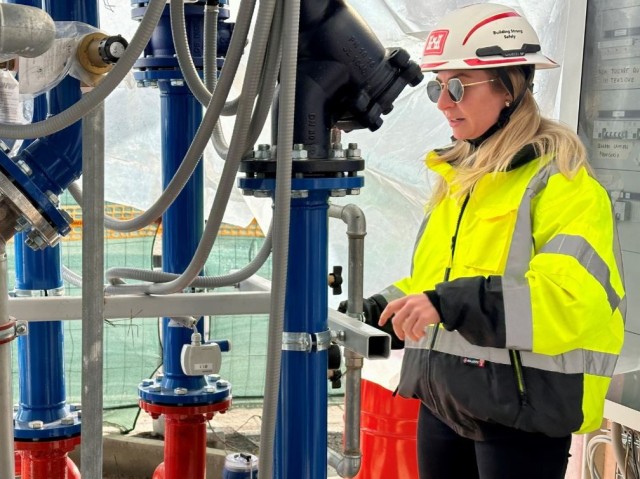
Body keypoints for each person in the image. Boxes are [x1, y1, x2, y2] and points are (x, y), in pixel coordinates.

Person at [343, 3, 626, 478]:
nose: (442, 102)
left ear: (510, 88)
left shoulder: (563, 184)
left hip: (521, 411)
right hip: (445, 399)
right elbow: (437, 283)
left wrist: (449, 302)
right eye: (437, 86)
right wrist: (377, 311)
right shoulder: (462, 180)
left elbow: (569, 300)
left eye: (457, 86)